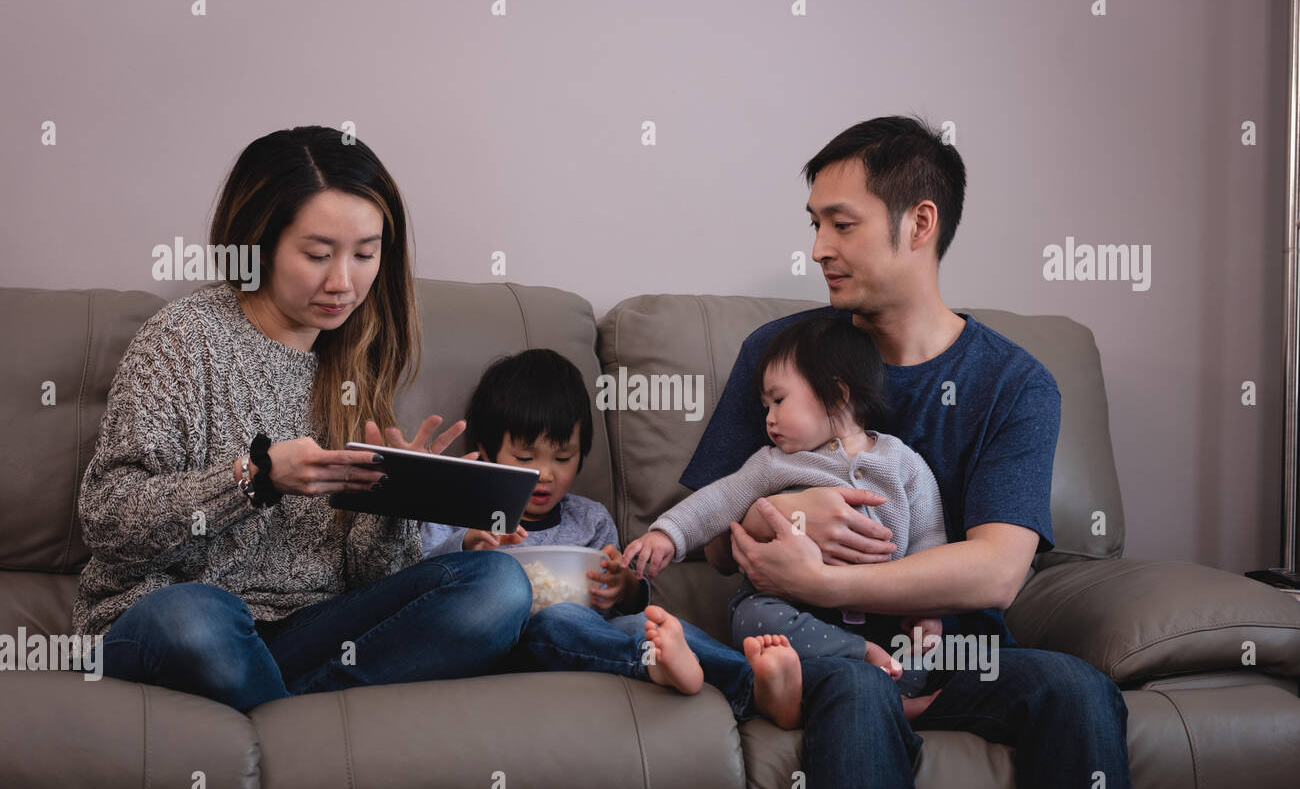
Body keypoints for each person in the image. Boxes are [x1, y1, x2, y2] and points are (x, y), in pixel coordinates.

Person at [681, 115, 1134, 789]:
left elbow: (995, 570)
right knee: (860, 691)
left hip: (953, 649)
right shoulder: (780, 354)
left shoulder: (1015, 383)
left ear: (919, 223)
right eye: (815, 225)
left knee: (1076, 690)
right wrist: (792, 514)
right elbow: (711, 548)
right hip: (821, 647)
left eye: (841, 225)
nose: (817, 249)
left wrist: (828, 577)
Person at [74, 126, 533, 712]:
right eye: (318, 255)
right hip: (175, 617)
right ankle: (306, 732)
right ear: (259, 243)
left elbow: (368, 582)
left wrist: (398, 504)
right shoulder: (181, 341)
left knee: (494, 587)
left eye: (365, 254)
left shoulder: (355, 361)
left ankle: (275, 716)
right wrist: (253, 478)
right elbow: (108, 521)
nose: (343, 282)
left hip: (306, 632)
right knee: (196, 614)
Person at [420, 347, 796, 704]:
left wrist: (624, 586)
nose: (546, 474)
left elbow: (621, 604)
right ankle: (652, 662)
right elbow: (420, 578)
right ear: (487, 449)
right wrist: (467, 544)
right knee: (558, 619)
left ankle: (754, 686)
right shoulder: (463, 510)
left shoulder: (590, 519)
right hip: (503, 644)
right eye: (524, 456)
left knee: (642, 625)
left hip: (586, 641)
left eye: (563, 457)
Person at [620, 315, 946, 699]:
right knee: (752, 618)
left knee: (924, 650)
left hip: (880, 607)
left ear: (837, 395)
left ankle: (893, 695)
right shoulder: (773, 463)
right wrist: (667, 535)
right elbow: (720, 500)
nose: (769, 419)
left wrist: (928, 609)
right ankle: (854, 658)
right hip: (793, 606)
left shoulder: (903, 462)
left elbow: (930, 535)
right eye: (765, 407)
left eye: (778, 400)